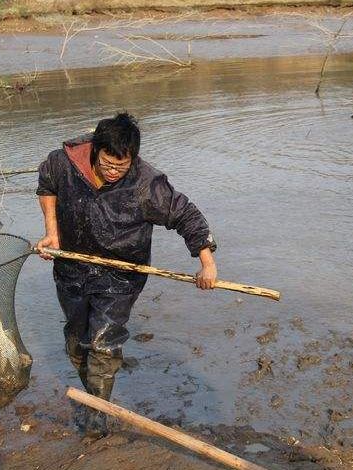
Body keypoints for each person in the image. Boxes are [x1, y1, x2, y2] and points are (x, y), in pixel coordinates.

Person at [35, 113, 218, 438]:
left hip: (121, 276)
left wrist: (207, 262)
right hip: (71, 268)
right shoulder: (65, 163)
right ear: (96, 151)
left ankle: (96, 420)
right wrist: (52, 233)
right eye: (108, 164)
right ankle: (95, 394)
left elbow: (185, 214)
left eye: (122, 166)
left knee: (104, 343)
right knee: (77, 343)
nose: (114, 171)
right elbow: (47, 183)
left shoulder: (146, 184)